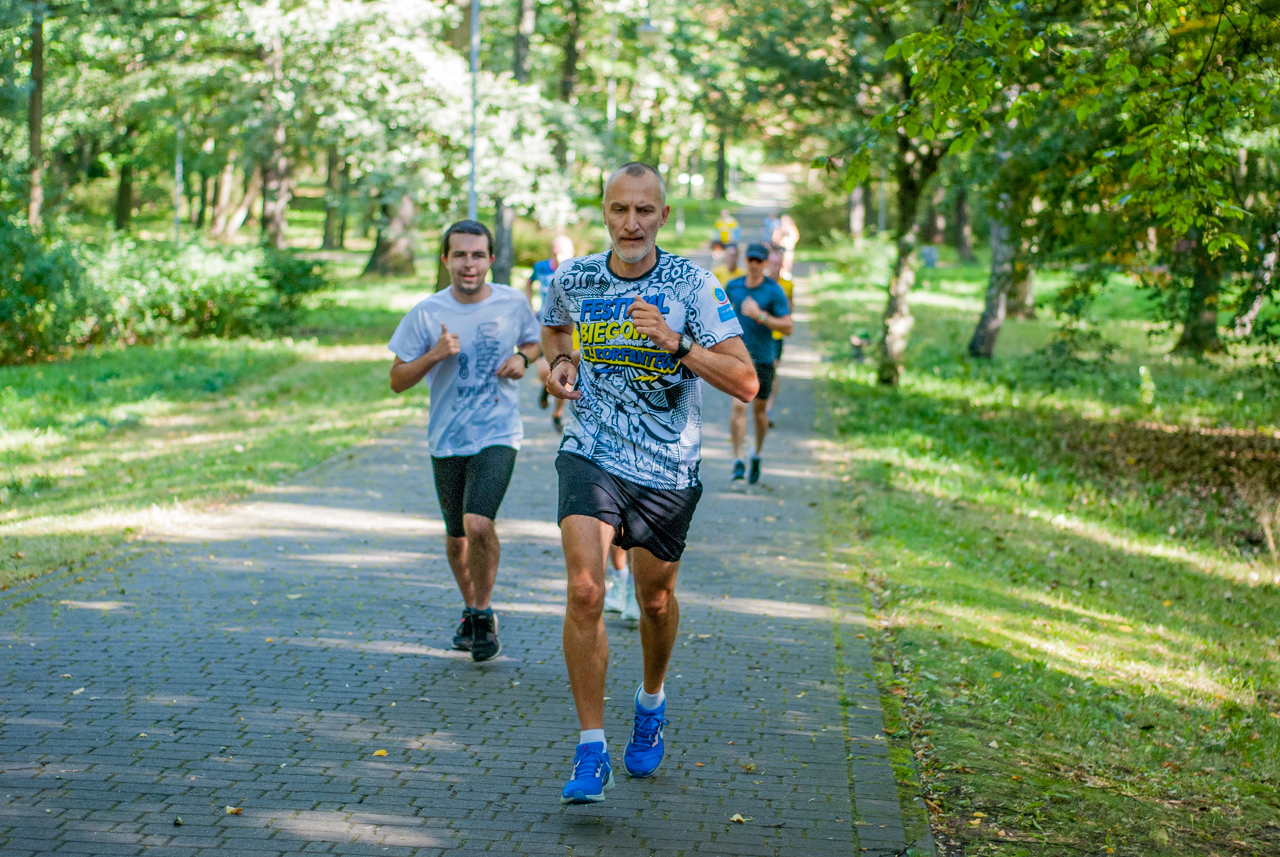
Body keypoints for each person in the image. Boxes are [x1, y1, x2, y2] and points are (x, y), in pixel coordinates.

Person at [541, 162, 757, 804]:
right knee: (585, 590)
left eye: (643, 210)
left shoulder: (694, 284)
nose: (630, 222)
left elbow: (746, 382)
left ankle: (651, 699)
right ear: (603, 213)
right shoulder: (574, 276)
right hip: (591, 451)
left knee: (654, 601)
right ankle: (590, 749)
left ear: (663, 215)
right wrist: (559, 361)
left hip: (667, 469)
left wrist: (676, 343)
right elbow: (554, 325)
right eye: (618, 210)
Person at [388, 220, 542, 663]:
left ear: (491, 260)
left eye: (477, 255)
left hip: (498, 433)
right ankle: (470, 610)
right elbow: (397, 380)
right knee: (456, 537)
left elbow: (536, 343)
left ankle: (482, 612)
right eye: (459, 255)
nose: (469, 264)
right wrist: (434, 355)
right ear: (445, 260)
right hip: (447, 438)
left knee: (478, 523)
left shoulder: (513, 302)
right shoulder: (426, 313)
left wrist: (521, 358)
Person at [724, 242, 793, 485]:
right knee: (738, 406)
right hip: (737, 359)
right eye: (750, 260)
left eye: (758, 261)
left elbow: (788, 327)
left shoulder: (774, 291)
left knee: (759, 412)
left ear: (765, 264)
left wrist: (760, 316)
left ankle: (757, 453)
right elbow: (719, 318)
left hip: (763, 359)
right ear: (746, 261)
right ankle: (737, 459)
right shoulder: (733, 287)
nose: (754, 265)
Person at [529, 236, 578, 429]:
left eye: (563, 253)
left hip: (571, 329)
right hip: (546, 325)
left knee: (565, 375)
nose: (558, 257)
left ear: (572, 252)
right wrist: (530, 304)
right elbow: (529, 282)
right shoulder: (541, 268)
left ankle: (557, 413)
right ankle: (546, 385)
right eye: (555, 253)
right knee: (544, 371)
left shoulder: (579, 271)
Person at [763, 246, 794, 425]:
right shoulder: (762, 284)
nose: (776, 267)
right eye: (773, 263)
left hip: (776, 335)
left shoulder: (787, 284)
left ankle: (768, 408)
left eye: (778, 264)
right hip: (761, 333)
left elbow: (790, 310)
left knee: (772, 370)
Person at [771, 213, 800, 280]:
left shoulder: (792, 228)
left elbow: (795, 237)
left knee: (788, 262)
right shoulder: (779, 229)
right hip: (780, 249)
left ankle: (786, 274)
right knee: (779, 264)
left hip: (789, 249)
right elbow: (774, 238)